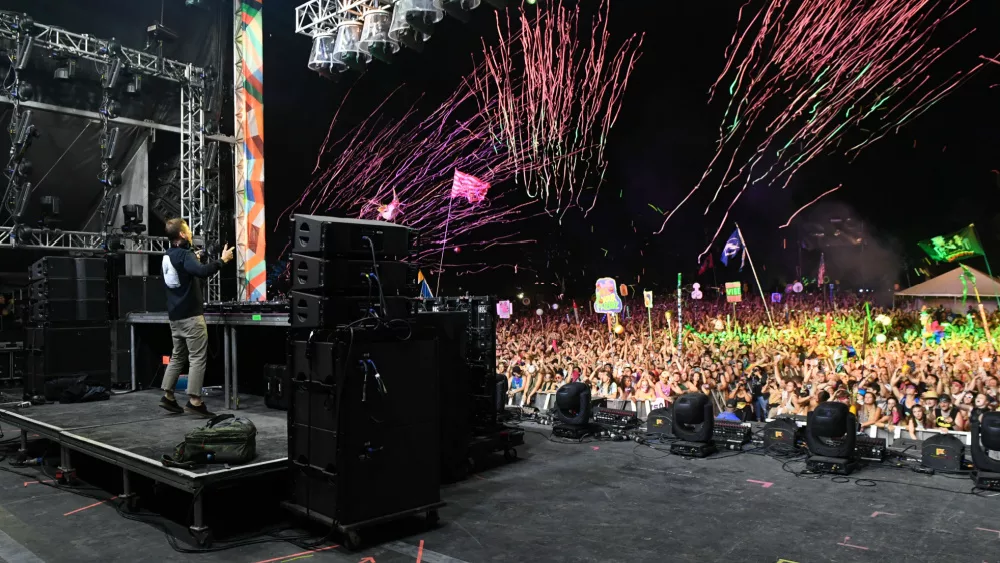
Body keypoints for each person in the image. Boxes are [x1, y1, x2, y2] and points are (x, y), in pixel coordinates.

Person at [159, 218, 234, 417]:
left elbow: (184, 272)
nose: (191, 233)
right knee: (197, 358)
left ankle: (168, 395)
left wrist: (195, 258)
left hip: (175, 317)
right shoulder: (185, 254)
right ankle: (195, 401)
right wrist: (222, 260)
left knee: (177, 356)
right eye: (188, 230)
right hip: (191, 317)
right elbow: (201, 272)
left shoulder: (168, 255)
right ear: (182, 235)